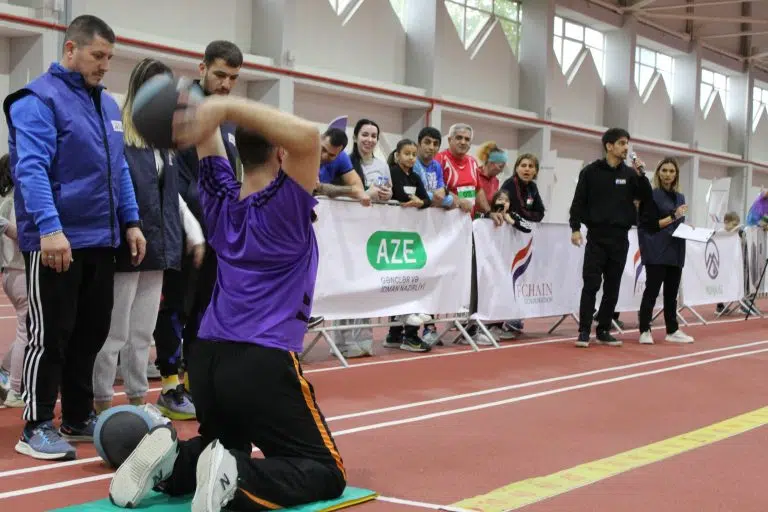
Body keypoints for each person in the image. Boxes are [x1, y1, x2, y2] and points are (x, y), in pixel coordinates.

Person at [110, 92, 345, 510]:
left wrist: (201, 114)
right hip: (261, 358)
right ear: (281, 152)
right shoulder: (286, 207)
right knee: (325, 470)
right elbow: (310, 137)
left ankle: (177, 461)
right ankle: (236, 477)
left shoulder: (220, 198)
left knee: (225, 442)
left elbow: (208, 141)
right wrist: (223, 108)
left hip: (206, 360)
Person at [3, 15, 146, 460]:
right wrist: (50, 228)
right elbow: (30, 169)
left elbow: (119, 169)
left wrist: (132, 220)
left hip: (101, 239)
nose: (105, 65)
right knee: (50, 335)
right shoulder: (36, 100)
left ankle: (78, 416)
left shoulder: (107, 105)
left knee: (92, 332)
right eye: (97, 55)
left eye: (109, 57)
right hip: (57, 241)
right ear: (70, 49)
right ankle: (35, 425)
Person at [92, 58, 205, 418]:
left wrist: (194, 232)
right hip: (126, 247)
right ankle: (101, 401)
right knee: (114, 333)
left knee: (142, 332)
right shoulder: (120, 137)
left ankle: (138, 400)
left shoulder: (165, 145)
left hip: (159, 246)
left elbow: (173, 197)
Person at [154, 39, 242, 405]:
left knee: (205, 306)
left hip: (217, 229)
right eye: (220, 75)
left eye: (233, 78)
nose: (226, 84)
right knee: (176, 304)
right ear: (202, 68)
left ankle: (194, 377)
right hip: (183, 229)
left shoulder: (229, 118)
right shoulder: (179, 109)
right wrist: (188, 224)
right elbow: (169, 173)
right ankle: (169, 384)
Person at [569, 128, 651, 348]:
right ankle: (584, 330)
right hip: (596, 237)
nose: (626, 148)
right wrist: (575, 228)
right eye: (622, 143)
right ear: (609, 146)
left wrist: (642, 175)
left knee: (613, 287)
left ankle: (603, 329)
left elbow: (646, 198)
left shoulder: (631, 175)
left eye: (627, 143)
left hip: (620, 238)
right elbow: (578, 202)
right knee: (591, 284)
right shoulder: (590, 172)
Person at [636, 158, 694, 345]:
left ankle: (672, 330)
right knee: (652, 291)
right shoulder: (651, 195)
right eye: (664, 170)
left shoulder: (680, 197)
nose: (668, 174)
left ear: (676, 174)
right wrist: (674, 215)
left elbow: (678, 223)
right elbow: (651, 224)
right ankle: (644, 330)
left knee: (672, 293)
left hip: (676, 250)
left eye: (672, 171)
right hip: (656, 249)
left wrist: (690, 229)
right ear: (658, 173)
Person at [0, 153, 25, 409]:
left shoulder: (8, 199)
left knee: (27, 328)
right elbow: (20, 235)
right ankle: (15, 390)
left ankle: (5, 370)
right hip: (20, 271)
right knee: (27, 330)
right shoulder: (16, 199)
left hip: (11, 272)